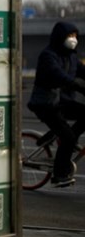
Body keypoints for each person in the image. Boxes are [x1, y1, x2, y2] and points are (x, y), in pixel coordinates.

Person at [27, 21, 85, 187]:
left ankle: (63, 138)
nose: (73, 39)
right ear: (60, 37)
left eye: (75, 36)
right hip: (45, 103)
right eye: (69, 36)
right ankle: (59, 175)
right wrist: (78, 85)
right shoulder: (48, 56)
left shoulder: (72, 56)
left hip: (60, 101)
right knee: (68, 136)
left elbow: (83, 72)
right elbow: (58, 75)